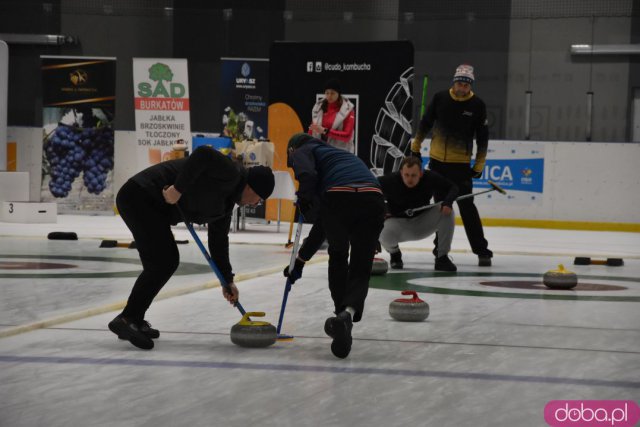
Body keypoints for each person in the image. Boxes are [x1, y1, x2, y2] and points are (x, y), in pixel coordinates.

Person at [109, 145, 275, 350]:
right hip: (139, 196)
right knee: (164, 261)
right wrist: (177, 190)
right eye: (259, 199)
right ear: (252, 187)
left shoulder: (225, 205)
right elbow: (203, 154)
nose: (255, 203)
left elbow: (218, 241)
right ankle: (127, 319)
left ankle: (133, 318)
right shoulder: (231, 173)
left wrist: (227, 280)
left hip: (152, 206)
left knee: (164, 261)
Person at [284, 133, 385, 359]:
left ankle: (341, 311)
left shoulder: (302, 150)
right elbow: (321, 225)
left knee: (338, 256)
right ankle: (346, 316)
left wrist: (304, 196)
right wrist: (300, 260)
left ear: (292, 150)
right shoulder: (341, 157)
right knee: (361, 267)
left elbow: (307, 174)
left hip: (339, 197)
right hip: (374, 198)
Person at [410, 64, 493, 266]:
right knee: (441, 208)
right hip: (438, 164)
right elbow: (425, 124)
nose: (462, 86)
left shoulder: (477, 106)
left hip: (461, 166)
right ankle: (440, 250)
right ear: (454, 82)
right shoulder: (440, 98)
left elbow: (483, 138)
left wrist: (479, 163)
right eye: (459, 82)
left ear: (470, 85)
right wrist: (416, 147)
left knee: (467, 208)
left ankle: (481, 250)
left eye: (466, 84)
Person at [378, 156, 459, 271]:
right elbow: (369, 191)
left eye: (413, 175)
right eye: (406, 175)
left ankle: (442, 258)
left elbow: (453, 187)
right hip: (398, 225)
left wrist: (448, 202)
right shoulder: (389, 180)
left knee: (446, 212)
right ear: (401, 173)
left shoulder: (430, 177)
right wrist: (382, 210)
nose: (409, 179)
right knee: (380, 228)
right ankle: (395, 254)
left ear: (420, 174)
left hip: (423, 222)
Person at [308, 78, 356, 153]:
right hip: (321, 152)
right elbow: (312, 131)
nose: (329, 95)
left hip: (341, 153)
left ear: (338, 94)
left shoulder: (348, 110)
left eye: (332, 93)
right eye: (327, 93)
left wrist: (325, 131)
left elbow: (347, 136)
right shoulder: (318, 107)